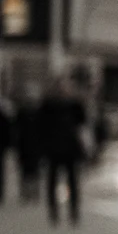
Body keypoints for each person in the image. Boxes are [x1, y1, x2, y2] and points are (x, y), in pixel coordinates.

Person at [36, 81, 87, 226]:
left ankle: (73, 212)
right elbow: (41, 129)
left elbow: (82, 127)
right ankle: (54, 212)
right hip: (54, 150)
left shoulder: (74, 105)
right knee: (53, 182)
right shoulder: (48, 106)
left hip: (69, 150)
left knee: (72, 182)